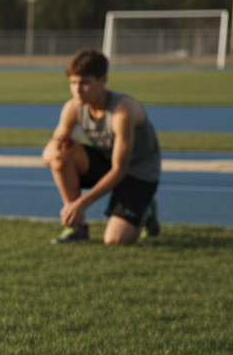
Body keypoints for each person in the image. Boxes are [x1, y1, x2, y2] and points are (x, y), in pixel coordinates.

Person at [43, 48, 161, 245]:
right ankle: (76, 228)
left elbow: (120, 170)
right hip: (109, 162)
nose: (78, 90)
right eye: (73, 83)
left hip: (137, 173)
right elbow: (48, 154)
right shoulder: (73, 107)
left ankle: (146, 209)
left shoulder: (122, 112)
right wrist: (56, 152)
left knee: (115, 239)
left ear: (103, 81)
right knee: (60, 154)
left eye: (85, 83)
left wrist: (81, 204)